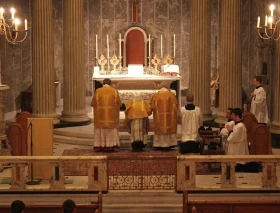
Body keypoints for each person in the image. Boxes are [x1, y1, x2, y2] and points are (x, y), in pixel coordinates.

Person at [91, 78, 121, 151]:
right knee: (110, 129)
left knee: (100, 129)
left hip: (100, 116)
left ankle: (100, 145)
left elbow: (93, 103)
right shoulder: (114, 91)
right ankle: (110, 145)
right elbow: (119, 103)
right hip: (111, 116)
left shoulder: (98, 91)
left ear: (103, 83)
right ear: (110, 84)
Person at [151, 82, 178, 150]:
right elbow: (176, 106)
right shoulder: (172, 95)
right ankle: (170, 143)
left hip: (160, 117)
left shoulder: (156, 95)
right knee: (169, 127)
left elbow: (152, 106)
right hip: (169, 117)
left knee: (160, 128)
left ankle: (159, 143)